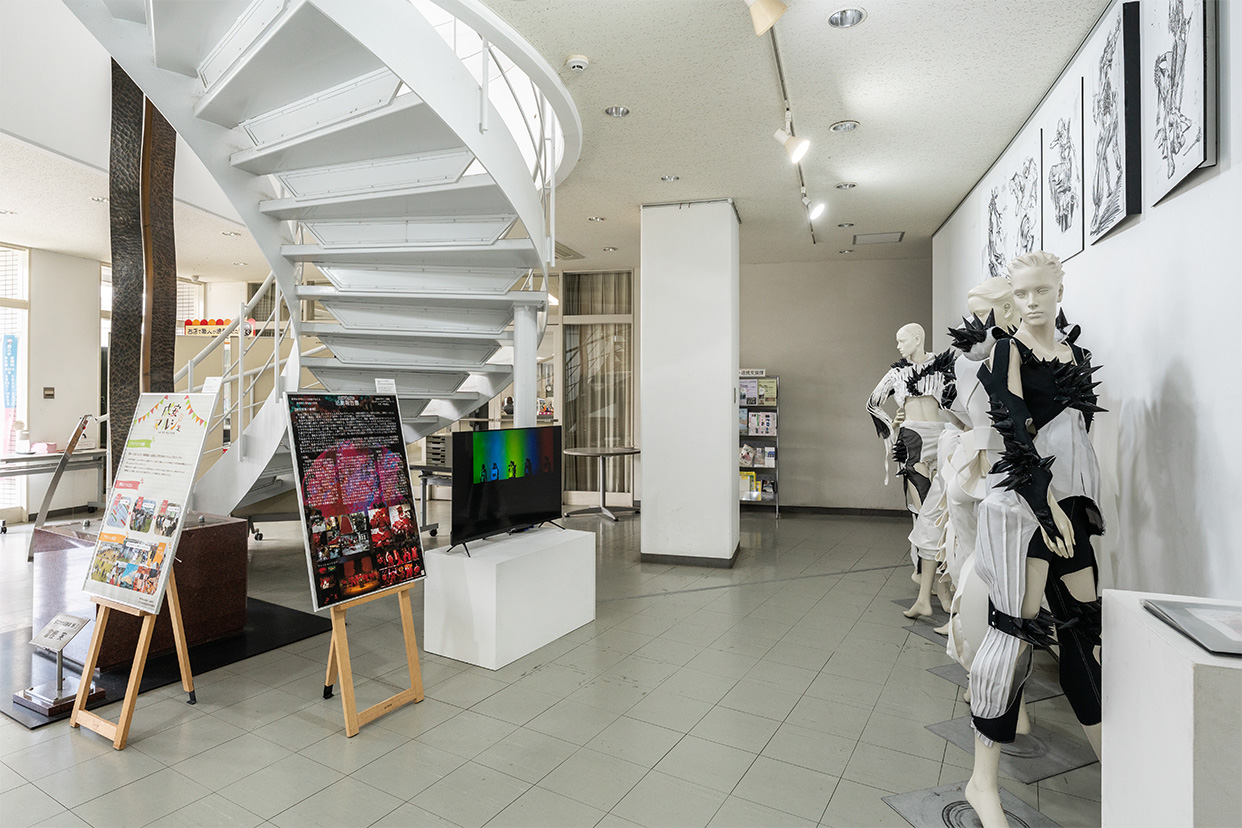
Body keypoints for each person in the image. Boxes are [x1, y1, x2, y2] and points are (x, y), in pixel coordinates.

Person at [966, 251, 1105, 828]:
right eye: (1020, 293)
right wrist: (1045, 508)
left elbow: (1078, 434)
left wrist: (1070, 505)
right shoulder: (1008, 352)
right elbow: (1014, 432)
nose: (1030, 302)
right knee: (1013, 639)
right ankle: (982, 782)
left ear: (1059, 289)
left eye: (1040, 291)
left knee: (1084, 631)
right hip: (1025, 512)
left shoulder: (1075, 353)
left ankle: (1115, 762)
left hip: (1071, 508)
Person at [866, 322, 956, 618]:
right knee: (925, 511)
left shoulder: (942, 365)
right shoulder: (897, 373)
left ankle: (936, 586)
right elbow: (873, 403)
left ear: (918, 339)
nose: (898, 346)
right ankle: (936, 586)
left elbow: (958, 401)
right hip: (913, 440)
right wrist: (891, 426)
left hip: (941, 436)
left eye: (902, 340)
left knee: (943, 513)